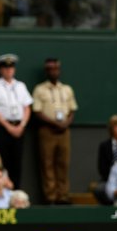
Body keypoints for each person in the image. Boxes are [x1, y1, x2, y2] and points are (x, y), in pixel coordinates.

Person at [32, 58, 78, 205]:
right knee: (47, 164)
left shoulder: (67, 89)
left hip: (64, 131)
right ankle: (50, 197)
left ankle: (63, 196)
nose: (54, 71)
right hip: (47, 130)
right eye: (50, 69)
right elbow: (37, 111)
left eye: (56, 68)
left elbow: (72, 109)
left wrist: (66, 123)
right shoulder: (40, 89)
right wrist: (54, 123)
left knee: (63, 163)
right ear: (46, 71)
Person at [0, 53, 32, 189]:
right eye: (5, 67)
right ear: (0, 70)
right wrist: (8, 126)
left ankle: (16, 191)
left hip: (19, 127)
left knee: (17, 162)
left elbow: (27, 107)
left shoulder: (21, 86)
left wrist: (22, 125)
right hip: (2, 128)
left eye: (11, 67)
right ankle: (3, 190)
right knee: (3, 160)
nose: (9, 70)